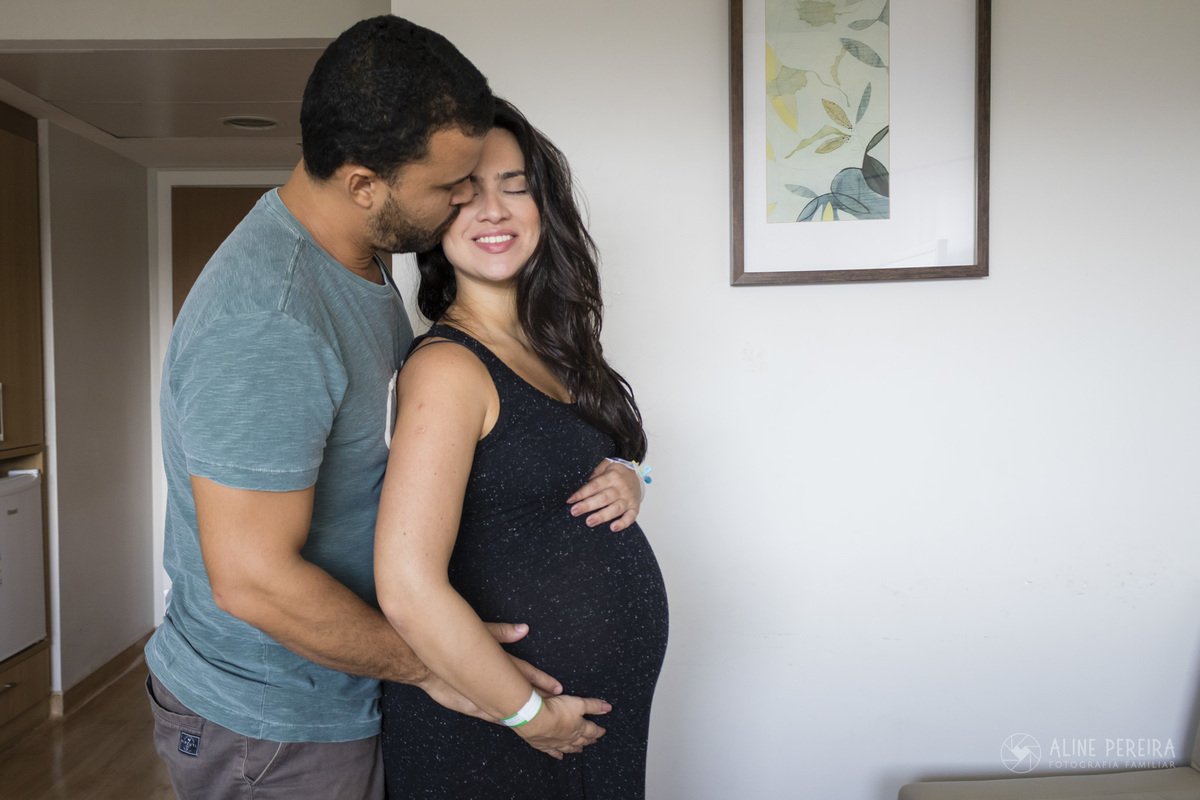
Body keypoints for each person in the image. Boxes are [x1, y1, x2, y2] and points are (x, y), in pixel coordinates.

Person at [143, 17, 645, 800]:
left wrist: (623, 470)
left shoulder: (360, 264)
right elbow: (252, 581)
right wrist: (456, 675)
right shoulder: (271, 320)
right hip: (274, 724)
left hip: (344, 688)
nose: (464, 204)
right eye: (450, 187)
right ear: (363, 185)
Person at [375, 98, 669, 799]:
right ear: (431, 218)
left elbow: (571, 466)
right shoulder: (449, 369)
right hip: (500, 733)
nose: (494, 211)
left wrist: (633, 473)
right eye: (465, 193)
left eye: (516, 188)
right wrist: (528, 714)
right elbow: (408, 587)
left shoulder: (556, 350)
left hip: (574, 727)